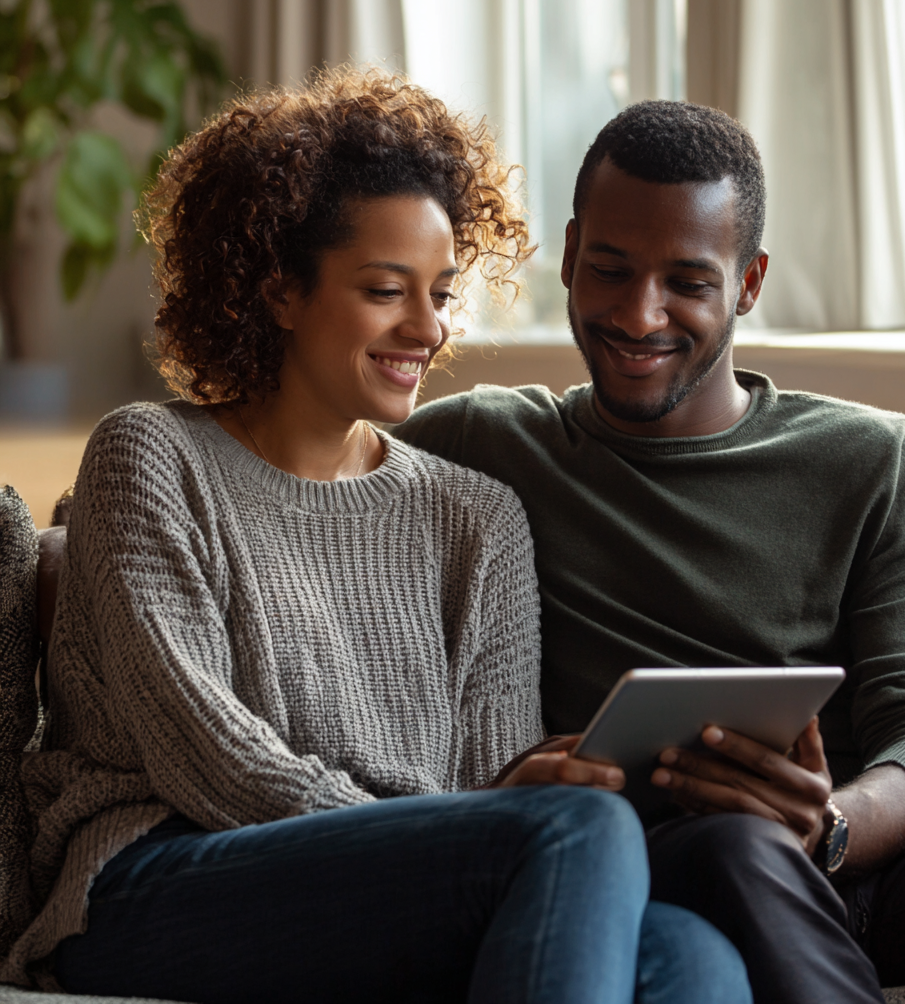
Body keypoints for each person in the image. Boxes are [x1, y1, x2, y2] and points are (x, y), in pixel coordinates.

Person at [0, 74, 752, 1004]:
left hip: (391, 884)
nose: (427, 329)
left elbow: (490, 784)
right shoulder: (150, 456)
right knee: (573, 834)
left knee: (692, 952)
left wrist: (465, 827)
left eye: (439, 293)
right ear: (278, 286)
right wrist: (446, 833)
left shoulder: (476, 518)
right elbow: (205, 758)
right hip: (153, 878)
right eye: (385, 290)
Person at [394, 100, 905, 1003]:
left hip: (861, 857)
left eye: (687, 282)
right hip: (678, 866)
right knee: (736, 841)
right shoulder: (477, 445)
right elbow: (294, 465)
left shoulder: (875, 459)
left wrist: (830, 826)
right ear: (569, 256)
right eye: (609, 269)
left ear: (750, 280)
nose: (639, 314)